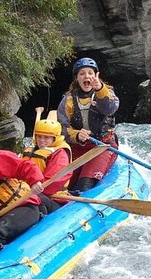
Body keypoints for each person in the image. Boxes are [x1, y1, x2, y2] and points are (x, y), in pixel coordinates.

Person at [57, 57, 119, 194]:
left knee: (84, 185)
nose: (87, 76)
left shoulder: (106, 93)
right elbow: (61, 129)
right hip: (78, 148)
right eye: (82, 73)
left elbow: (110, 108)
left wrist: (100, 89)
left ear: (96, 75)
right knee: (64, 184)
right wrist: (77, 135)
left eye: (90, 73)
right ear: (77, 78)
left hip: (102, 146)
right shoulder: (68, 100)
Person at [21, 119, 73, 212]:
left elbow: (52, 182)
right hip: (28, 189)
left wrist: (30, 189)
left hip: (52, 198)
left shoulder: (60, 154)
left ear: (55, 138)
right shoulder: (31, 149)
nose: (41, 140)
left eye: (46, 137)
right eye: (39, 137)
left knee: (33, 199)